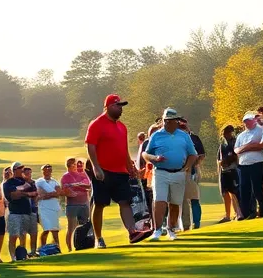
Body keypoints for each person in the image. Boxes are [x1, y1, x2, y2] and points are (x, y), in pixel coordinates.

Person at [85, 94, 145, 247]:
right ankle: (98, 239)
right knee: (100, 204)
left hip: (120, 171)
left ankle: (132, 232)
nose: (121, 109)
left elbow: (123, 150)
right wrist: (96, 167)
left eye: (121, 106)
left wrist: (130, 167)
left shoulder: (122, 127)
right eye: (118, 106)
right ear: (109, 106)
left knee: (125, 202)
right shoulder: (97, 124)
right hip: (103, 171)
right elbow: (90, 146)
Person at [144, 109, 199, 241]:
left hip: (178, 172)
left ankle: (171, 229)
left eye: (170, 120)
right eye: (165, 120)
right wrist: (155, 158)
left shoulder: (184, 136)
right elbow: (145, 154)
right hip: (160, 172)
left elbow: (193, 154)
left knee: (175, 203)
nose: (167, 123)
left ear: (176, 121)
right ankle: (157, 230)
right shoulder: (156, 135)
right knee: (159, 200)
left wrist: (187, 167)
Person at [236, 112, 263, 218]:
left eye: (249, 121)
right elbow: (236, 150)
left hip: (257, 163)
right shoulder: (241, 135)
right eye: (245, 122)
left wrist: (246, 147)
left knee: (257, 188)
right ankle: (247, 213)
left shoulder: (261, 130)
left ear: (254, 120)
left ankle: (262, 210)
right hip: (243, 164)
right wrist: (249, 146)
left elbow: (261, 146)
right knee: (244, 189)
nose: (247, 123)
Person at [3, 161, 37, 260]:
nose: (22, 170)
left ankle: (23, 255)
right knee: (13, 235)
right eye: (20, 168)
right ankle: (13, 256)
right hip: (15, 213)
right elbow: (14, 195)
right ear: (14, 170)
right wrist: (26, 193)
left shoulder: (25, 181)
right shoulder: (8, 183)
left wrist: (22, 191)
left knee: (23, 235)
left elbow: (34, 193)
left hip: (26, 212)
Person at [60, 158, 92, 250]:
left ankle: (83, 244)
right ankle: (70, 248)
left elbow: (88, 186)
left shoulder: (83, 174)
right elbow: (64, 189)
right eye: (74, 164)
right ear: (69, 165)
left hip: (84, 203)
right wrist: (71, 190)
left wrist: (76, 185)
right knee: (71, 227)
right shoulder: (65, 176)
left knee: (85, 225)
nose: (76, 166)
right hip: (72, 205)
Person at [35, 164, 63, 248]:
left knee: (55, 230)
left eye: (49, 170)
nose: (48, 171)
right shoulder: (39, 182)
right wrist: (52, 194)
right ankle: (42, 248)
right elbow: (40, 193)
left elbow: (58, 193)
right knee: (46, 229)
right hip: (43, 208)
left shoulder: (54, 182)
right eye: (46, 170)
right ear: (42, 171)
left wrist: (47, 195)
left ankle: (57, 247)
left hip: (53, 208)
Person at [218, 125, 240, 222]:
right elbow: (219, 159)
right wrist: (221, 163)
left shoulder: (235, 142)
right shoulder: (222, 145)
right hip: (224, 171)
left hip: (233, 170)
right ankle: (227, 215)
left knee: (234, 192)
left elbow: (236, 156)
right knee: (225, 193)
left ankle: (238, 212)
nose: (225, 135)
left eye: (227, 133)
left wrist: (229, 160)